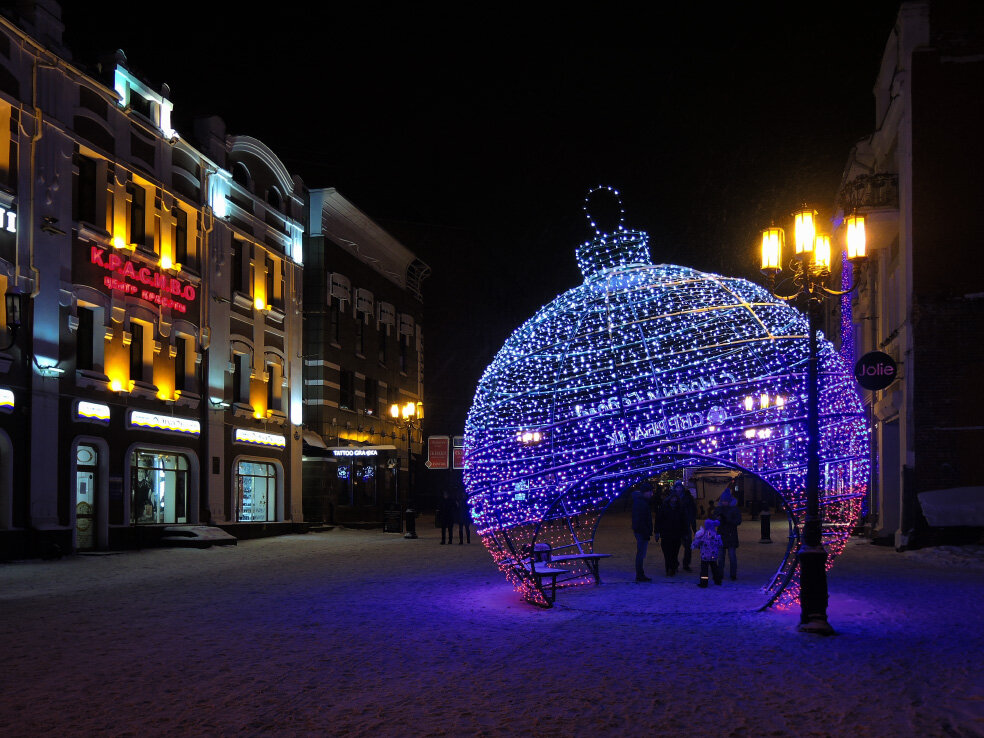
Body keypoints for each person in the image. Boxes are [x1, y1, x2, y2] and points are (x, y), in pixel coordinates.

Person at [656, 491, 688, 576]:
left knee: (674, 552)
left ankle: (672, 568)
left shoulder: (680, 508)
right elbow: (658, 520)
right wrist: (657, 531)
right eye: (672, 498)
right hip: (666, 534)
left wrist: (685, 533)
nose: (674, 500)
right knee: (667, 552)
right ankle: (669, 568)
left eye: (675, 498)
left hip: (676, 534)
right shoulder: (664, 508)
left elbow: (684, 522)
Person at [714, 488, 742, 580]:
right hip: (721, 535)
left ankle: (733, 574)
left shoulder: (734, 509)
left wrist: (728, 520)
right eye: (723, 501)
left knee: (732, 556)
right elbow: (714, 520)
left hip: (731, 535)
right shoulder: (718, 509)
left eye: (726, 501)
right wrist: (717, 519)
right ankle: (720, 573)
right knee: (720, 557)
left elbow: (738, 521)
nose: (724, 502)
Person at [630, 483, 655, 582]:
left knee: (641, 553)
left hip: (641, 531)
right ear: (645, 492)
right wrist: (645, 531)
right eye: (650, 492)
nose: (651, 494)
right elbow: (640, 519)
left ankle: (640, 574)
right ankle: (640, 574)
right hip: (641, 531)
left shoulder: (641, 501)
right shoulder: (640, 503)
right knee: (641, 553)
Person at [672, 481, 698, 572]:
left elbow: (692, 512)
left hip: (685, 525)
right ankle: (674, 564)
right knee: (674, 547)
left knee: (687, 546)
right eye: (677, 487)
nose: (678, 489)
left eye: (680, 487)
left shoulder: (688, 499)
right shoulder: (671, 499)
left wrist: (693, 527)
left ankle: (686, 564)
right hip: (675, 526)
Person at [691, 519, 723, 587]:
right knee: (715, 568)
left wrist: (694, 545)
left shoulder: (703, 535)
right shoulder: (716, 535)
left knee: (704, 570)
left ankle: (704, 583)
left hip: (705, 556)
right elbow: (720, 544)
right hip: (713, 555)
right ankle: (718, 580)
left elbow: (697, 542)